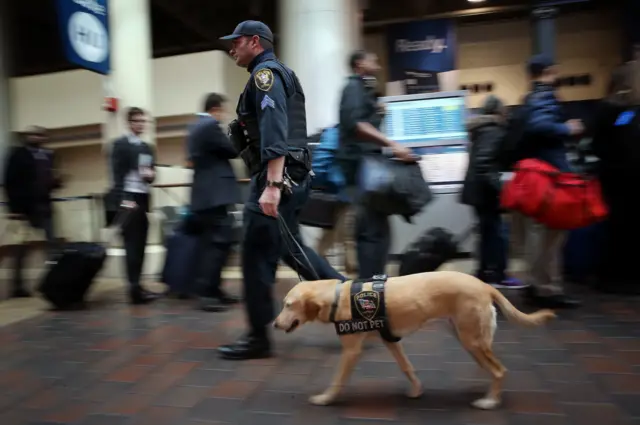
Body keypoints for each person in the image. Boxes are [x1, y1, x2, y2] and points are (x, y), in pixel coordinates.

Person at [216, 21, 345, 360]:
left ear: (255, 42)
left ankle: (259, 338)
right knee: (293, 250)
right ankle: (359, 305)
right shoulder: (282, 73)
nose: (232, 48)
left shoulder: (265, 76)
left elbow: (275, 131)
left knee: (255, 257)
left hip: (278, 179)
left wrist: (272, 185)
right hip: (294, 177)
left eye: (237, 41)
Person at [510, 55, 584, 308]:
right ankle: (546, 289)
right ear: (550, 71)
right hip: (550, 177)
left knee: (538, 233)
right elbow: (540, 126)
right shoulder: (545, 96)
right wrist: (567, 128)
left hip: (534, 177)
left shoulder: (529, 98)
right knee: (551, 235)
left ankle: (537, 285)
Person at [336, 50, 416, 279]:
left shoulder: (363, 89)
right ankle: (369, 291)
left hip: (367, 165)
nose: (377, 64)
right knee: (371, 231)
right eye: (373, 60)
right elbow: (356, 125)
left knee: (379, 230)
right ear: (359, 64)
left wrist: (378, 113)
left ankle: (375, 284)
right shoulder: (352, 88)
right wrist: (392, 144)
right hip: (360, 167)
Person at [461, 96, 526, 289]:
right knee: (498, 233)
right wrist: (500, 189)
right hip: (485, 192)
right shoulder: (494, 131)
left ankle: (483, 273)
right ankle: (499, 275)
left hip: (477, 190)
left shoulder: (480, 130)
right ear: (499, 112)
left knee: (487, 233)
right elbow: (484, 163)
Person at [187, 93, 241, 311]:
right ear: (216, 109)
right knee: (217, 245)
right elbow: (232, 150)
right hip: (214, 196)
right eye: (223, 111)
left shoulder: (195, 126)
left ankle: (214, 289)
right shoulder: (209, 125)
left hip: (206, 196)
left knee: (214, 244)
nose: (224, 115)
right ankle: (208, 293)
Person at [591, 60, 640, 294]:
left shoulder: (615, 109)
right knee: (621, 228)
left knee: (620, 228)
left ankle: (619, 276)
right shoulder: (616, 109)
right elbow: (602, 143)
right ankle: (618, 277)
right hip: (621, 180)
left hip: (619, 178)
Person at [106, 107, 158, 305]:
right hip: (128, 198)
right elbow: (116, 176)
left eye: (143, 121)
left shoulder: (147, 147)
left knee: (142, 243)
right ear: (129, 123)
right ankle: (133, 288)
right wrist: (122, 199)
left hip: (143, 197)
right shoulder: (120, 144)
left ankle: (138, 285)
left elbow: (151, 172)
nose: (141, 124)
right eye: (137, 121)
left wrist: (151, 175)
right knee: (131, 245)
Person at [3, 126, 61, 298]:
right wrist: (14, 209)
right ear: (26, 137)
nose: (37, 137)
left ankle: (55, 282)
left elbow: (47, 181)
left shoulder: (48, 155)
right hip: (24, 208)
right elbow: (10, 182)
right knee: (21, 248)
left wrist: (56, 183)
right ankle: (17, 286)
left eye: (40, 135)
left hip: (44, 206)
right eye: (33, 135)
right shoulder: (17, 155)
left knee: (51, 245)